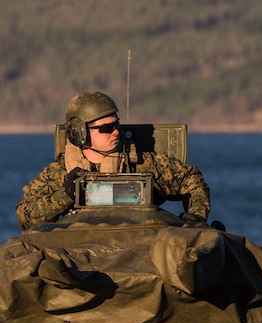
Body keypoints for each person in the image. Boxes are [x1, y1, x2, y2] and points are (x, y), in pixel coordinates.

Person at [16, 91, 210, 230]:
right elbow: (25, 216)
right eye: (106, 128)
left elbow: (189, 178)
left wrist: (195, 216)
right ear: (79, 133)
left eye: (116, 125)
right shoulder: (58, 174)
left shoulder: (141, 163)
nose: (116, 132)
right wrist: (65, 195)